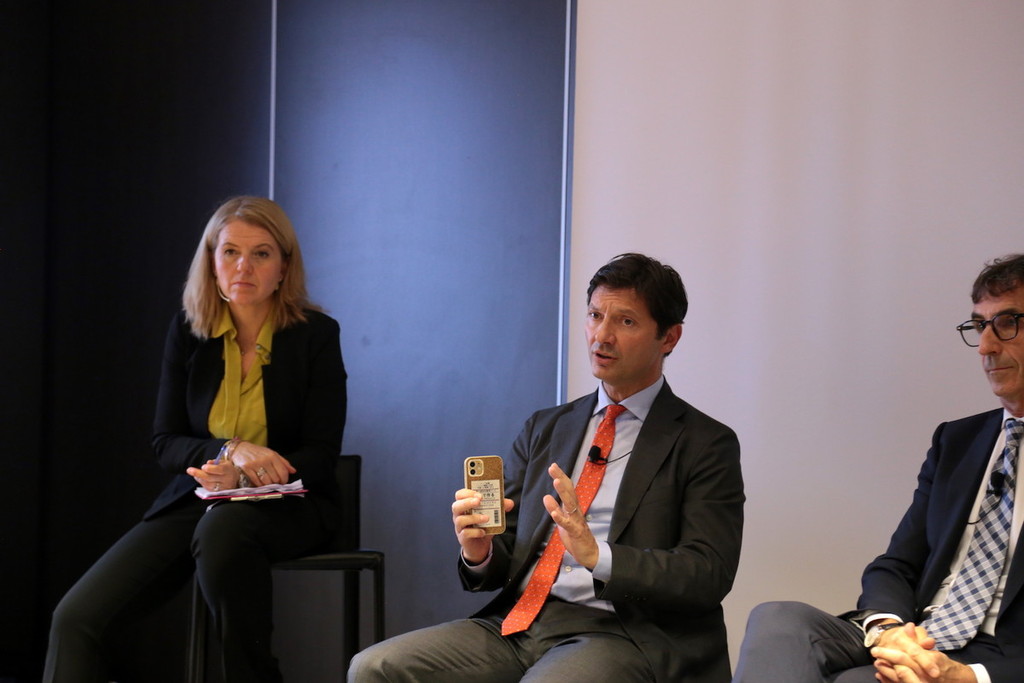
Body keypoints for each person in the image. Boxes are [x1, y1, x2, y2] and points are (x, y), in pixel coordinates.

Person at [350, 252, 745, 682]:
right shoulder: (547, 427)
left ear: (669, 337)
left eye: (626, 321)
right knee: (374, 668)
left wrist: (598, 556)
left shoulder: (705, 443)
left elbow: (708, 572)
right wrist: (480, 552)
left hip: (623, 631)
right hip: (521, 620)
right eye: (595, 315)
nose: (602, 336)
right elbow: (508, 548)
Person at [43, 196, 347, 683]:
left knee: (222, 532)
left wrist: (245, 474)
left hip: (292, 504)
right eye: (230, 252)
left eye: (261, 253)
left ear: (283, 267)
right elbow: (166, 441)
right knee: (75, 619)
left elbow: (322, 453)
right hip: (200, 498)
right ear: (211, 261)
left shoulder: (317, 335)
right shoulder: (189, 331)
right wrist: (227, 451)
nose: (243, 266)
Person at [732, 253, 1024, 683]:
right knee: (779, 621)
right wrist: (889, 629)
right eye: (979, 326)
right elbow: (896, 566)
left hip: (997, 656)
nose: (985, 346)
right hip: (919, 632)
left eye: (1007, 323)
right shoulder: (958, 441)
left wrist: (970, 676)